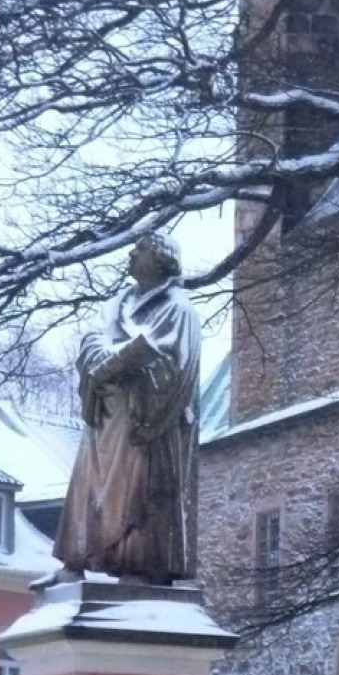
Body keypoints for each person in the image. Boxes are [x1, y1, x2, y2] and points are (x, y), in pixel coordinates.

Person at [34, 232, 201, 589]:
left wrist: (113, 364)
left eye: (140, 249)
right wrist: (104, 363)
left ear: (162, 259)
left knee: (138, 490)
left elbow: (171, 363)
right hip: (106, 413)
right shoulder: (116, 304)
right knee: (87, 486)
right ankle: (74, 561)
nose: (131, 253)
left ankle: (138, 569)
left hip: (143, 420)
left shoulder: (178, 308)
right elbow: (92, 340)